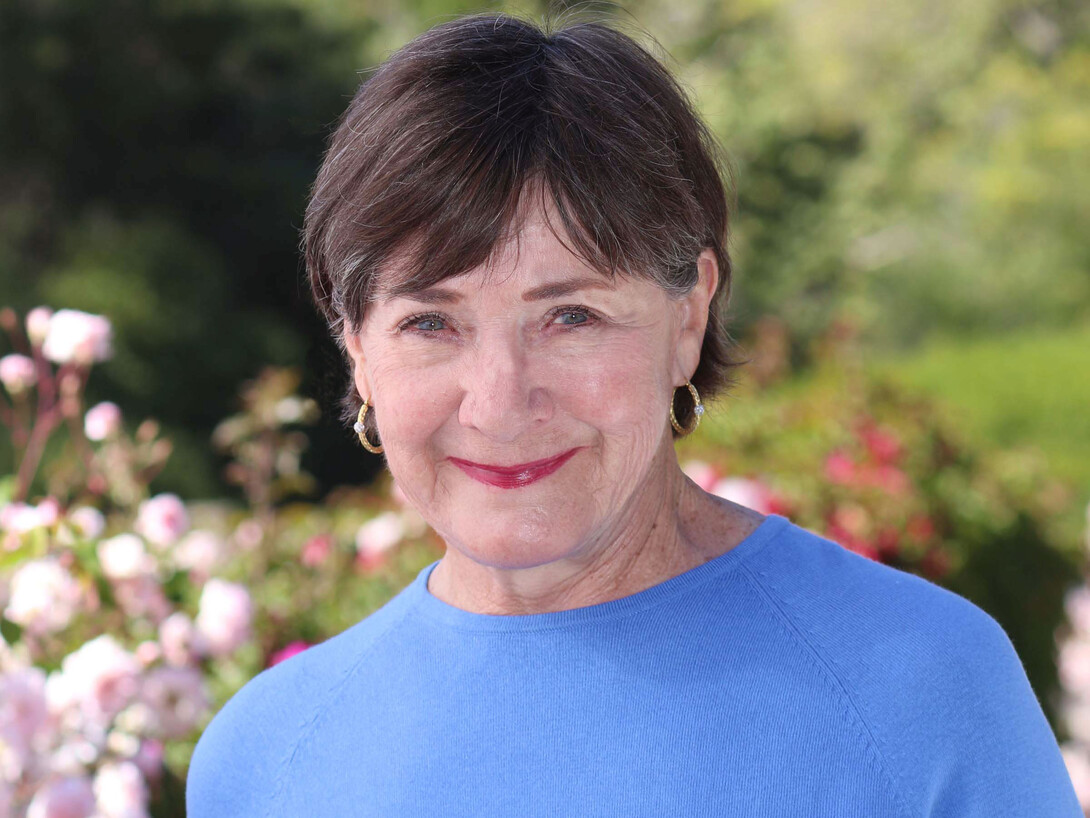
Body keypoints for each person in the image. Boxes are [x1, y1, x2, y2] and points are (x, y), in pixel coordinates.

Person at [185, 11, 1082, 816]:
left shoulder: (919, 689)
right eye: (430, 323)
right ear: (357, 350)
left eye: (571, 316)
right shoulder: (264, 761)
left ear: (688, 317)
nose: (499, 403)